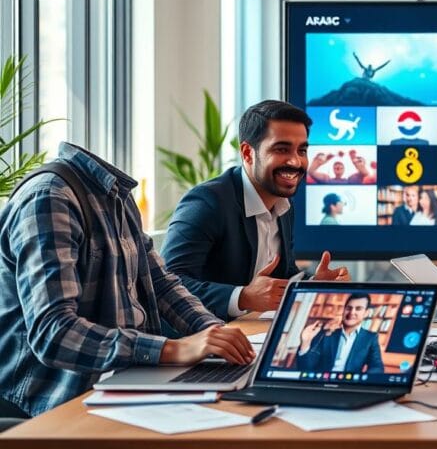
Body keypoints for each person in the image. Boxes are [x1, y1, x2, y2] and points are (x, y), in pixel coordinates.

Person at [0, 143, 256, 417]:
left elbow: (161, 284)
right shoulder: (49, 198)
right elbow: (54, 331)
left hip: (118, 381)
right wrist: (172, 349)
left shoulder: (116, 196)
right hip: (53, 400)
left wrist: (215, 334)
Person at [163, 101, 349, 322]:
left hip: (249, 332)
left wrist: (312, 285)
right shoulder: (207, 202)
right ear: (247, 153)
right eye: (281, 149)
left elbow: (281, 274)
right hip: (199, 340)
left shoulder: (283, 204)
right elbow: (168, 284)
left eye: (302, 150)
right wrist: (242, 297)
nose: (296, 161)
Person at [296, 293, 384, 374]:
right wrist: (305, 342)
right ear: (344, 310)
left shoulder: (370, 338)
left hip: (350, 386)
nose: (352, 312)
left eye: (358, 309)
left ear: (366, 313)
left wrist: (360, 381)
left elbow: (377, 367)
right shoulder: (327, 334)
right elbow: (306, 368)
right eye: (348, 308)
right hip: (322, 383)